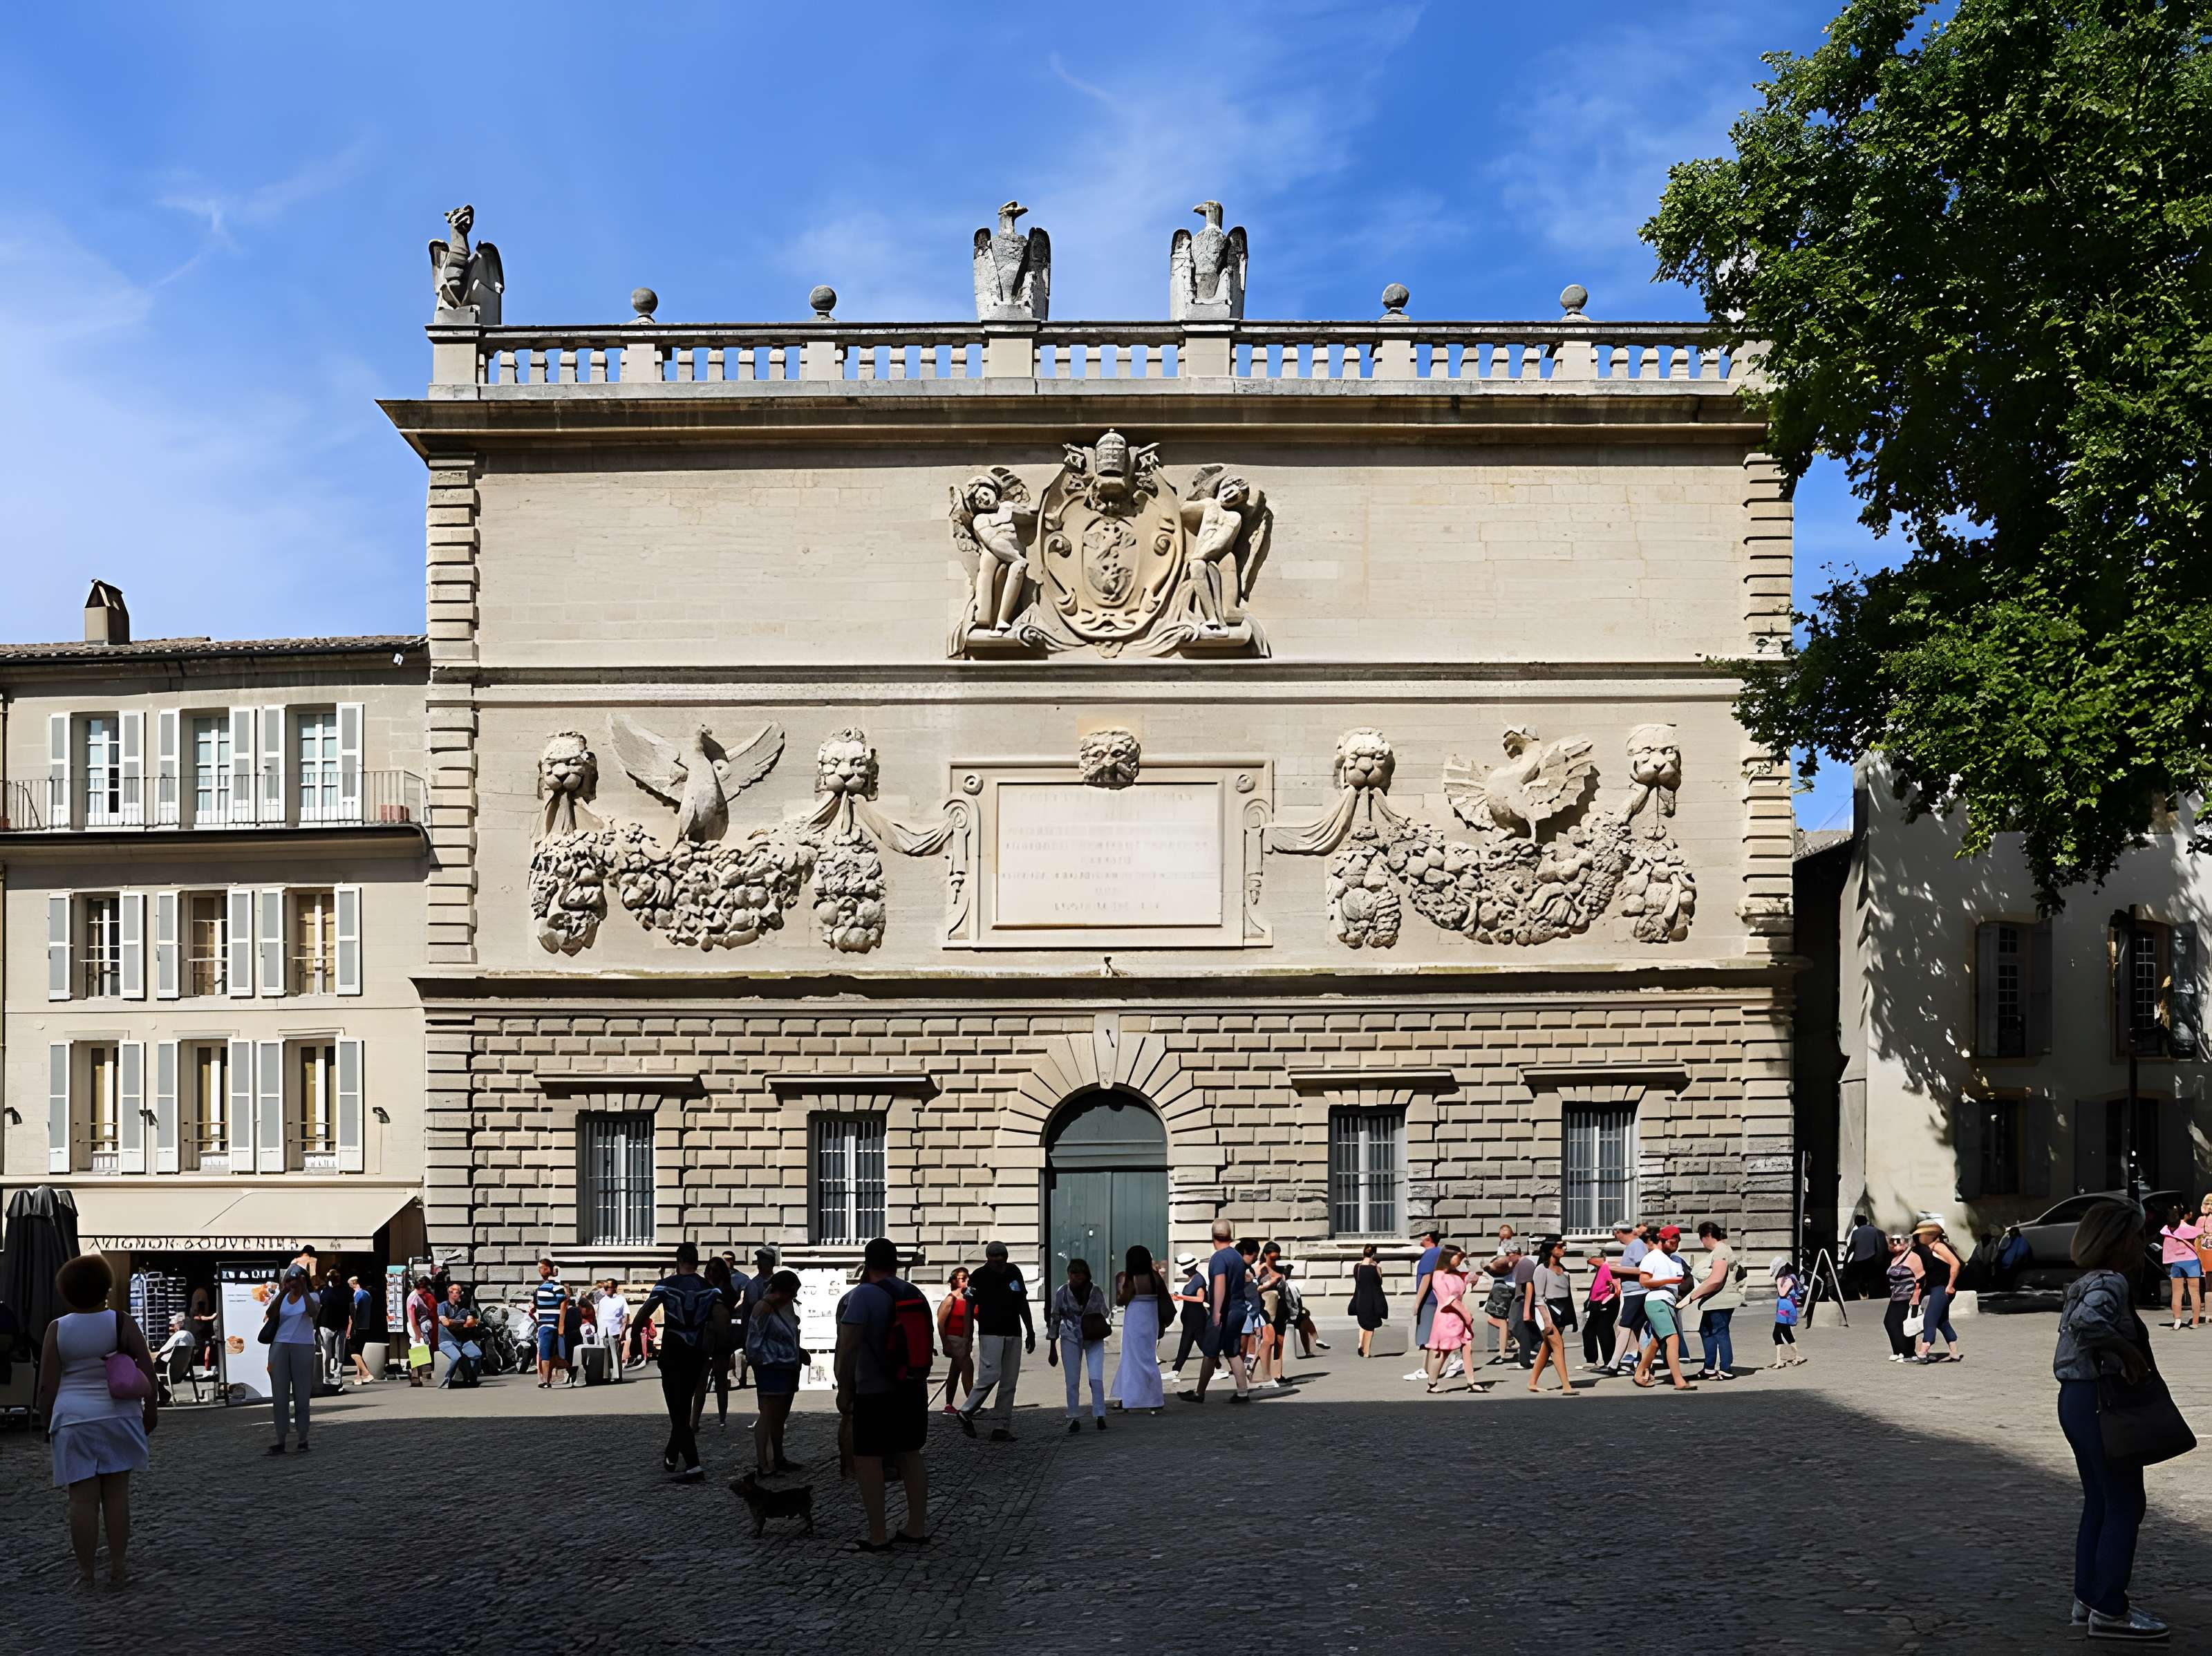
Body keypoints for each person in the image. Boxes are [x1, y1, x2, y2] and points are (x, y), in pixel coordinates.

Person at [2054, 1200, 2170, 1640]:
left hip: (2077, 1398)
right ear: (2120, 1241)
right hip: (2100, 1400)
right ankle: (2109, 1609)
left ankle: (2088, 1599)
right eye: (2137, 1237)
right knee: (2124, 1503)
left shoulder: (2085, 1281)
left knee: (2100, 1502)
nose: (2143, 1244)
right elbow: (2088, 1324)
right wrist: (2127, 1352)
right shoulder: (2111, 1282)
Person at [36, 1254, 156, 1588]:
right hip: (119, 1415)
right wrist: (151, 1409)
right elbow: (147, 1369)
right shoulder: (121, 1322)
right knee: (117, 1496)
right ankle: (118, 1566)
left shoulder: (57, 1329)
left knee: (81, 1500)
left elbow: (47, 1385)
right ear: (107, 1288)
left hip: (73, 1418)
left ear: (65, 1292)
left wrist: (47, 1422)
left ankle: (86, 1572)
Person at [836, 1237, 931, 1551]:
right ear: (896, 1263)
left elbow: (848, 1347)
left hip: (874, 1390)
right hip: (911, 1386)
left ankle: (878, 1534)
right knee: (910, 1454)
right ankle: (916, 1527)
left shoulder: (863, 1295)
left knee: (868, 1459)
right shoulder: (913, 1292)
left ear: (867, 1263)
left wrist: (844, 1389)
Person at [630, 1241, 722, 1483]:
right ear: (697, 1262)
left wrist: (634, 1338)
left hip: (673, 1351)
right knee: (682, 1406)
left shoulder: (666, 1285)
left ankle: (694, 1466)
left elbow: (643, 1313)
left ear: (678, 1260)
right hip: (696, 1353)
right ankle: (672, 1454)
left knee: (677, 1410)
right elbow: (720, 1323)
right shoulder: (710, 1290)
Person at [955, 1241, 1035, 1441]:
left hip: (1013, 1331)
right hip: (990, 1332)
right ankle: (966, 1411)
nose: (999, 1259)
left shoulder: (1014, 1272)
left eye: (1002, 1256)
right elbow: (969, 1305)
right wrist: (967, 1335)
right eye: (994, 1256)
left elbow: (1022, 1301)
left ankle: (1001, 1426)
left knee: (1009, 1381)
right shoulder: (979, 1275)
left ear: (1006, 1257)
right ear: (988, 1257)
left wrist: (1030, 1330)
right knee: (990, 1374)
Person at [745, 1269, 805, 1476]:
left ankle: (778, 1458)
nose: (795, 1296)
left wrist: (798, 1352)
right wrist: (762, 1363)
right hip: (770, 1368)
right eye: (793, 1291)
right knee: (768, 1415)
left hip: (788, 1367)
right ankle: (764, 1463)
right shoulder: (763, 1308)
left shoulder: (786, 1306)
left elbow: (790, 1334)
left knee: (780, 1417)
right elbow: (753, 1343)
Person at [1188, 1219, 1253, 1404]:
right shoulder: (1237, 1257)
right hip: (1239, 1310)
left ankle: (1199, 1393)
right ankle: (1243, 1392)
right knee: (1233, 1352)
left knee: (1210, 1352)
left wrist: (1216, 1312)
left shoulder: (1218, 1258)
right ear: (1230, 1236)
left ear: (1213, 1237)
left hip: (1225, 1312)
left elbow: (1219, 1284)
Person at [1048, 1258, 1111, 1432]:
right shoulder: (1062, 1292)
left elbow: (1104, 1312)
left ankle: (1100, 1414)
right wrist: (1052, 1346)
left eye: (1080, 1273)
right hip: (1070, 1335)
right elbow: (1055, 1317)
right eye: (1074, 1273)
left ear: (1086, 1274)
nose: (1077, 1277)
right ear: (1069, 1274)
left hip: (1093, 1336)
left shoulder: (1095, 1290)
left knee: (1096, 1378)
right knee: (1072, 1379)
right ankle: (1073, 1416)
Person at [265, 1263, 321, 1451]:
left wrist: (303, 1289)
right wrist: (283, 1291)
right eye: (288, 1279)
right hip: (280, 1345)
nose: (292, 1282)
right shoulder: (282, 1297)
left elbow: (313, 1313)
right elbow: (270, 1314)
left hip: (303, 1345)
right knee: (279, 1395)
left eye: (295, 1279)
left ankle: (302, 1438)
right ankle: (281, 1439)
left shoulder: (312, 1296)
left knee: (302, 1394)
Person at [1628, 1230, 1693, 1391]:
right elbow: (1644, 1281)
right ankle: (1679, 1380)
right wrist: (1670, 1280)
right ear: (1662, 1240)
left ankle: (1639, 1372)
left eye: (1678, 1242)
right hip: (1656, 1301)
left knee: (1656, 1341)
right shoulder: (1652, 1257)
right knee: (1673, 1339)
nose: (1675, 1245)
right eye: (1672, 1242)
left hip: (1669, 1302)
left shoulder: (1674, 1260)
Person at [1112, 1245, 1170, 1412]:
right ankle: (1154, 1398)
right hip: (1151, 1319)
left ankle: (1130, 1398)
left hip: (1135, 1319)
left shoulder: (1130, 1278)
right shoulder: (1155, 1277)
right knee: (1149, 1358)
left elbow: (1121, 1300)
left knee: (1131, 1359)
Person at [1683, 1221, 1741, 1381]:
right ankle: (1709, 1368)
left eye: (1702, 1239)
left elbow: (1716, 1279)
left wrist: (1692, 1297)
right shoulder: (1722, 1250)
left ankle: (1726, 1369)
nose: (1702, 1243)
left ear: (1707, 1236)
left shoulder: (1721, 1251)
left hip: (1721, 1299)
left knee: (1720, 1332)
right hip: (1716, 1300)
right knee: (1706, 1330)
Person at [1424, 1245, 1480, 1393]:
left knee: (1467, 1347)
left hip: (1458, 1316)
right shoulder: (1438, 1276)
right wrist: (1466, 1314)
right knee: (1443, 1351)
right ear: (1448, 1257)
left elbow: (1469, 1281)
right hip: (1447, 1317)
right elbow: (1448, 1300)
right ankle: (1432, 1383)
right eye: (1458, 1258)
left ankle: (1471, 1382)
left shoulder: (1456, 1274)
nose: (1459, 1261)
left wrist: (1469, 1267)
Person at [1526, 1237, 1577, 1395]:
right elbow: (1539, 1298)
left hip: (1561, 1312)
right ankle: (1566, 1386)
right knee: (1558, 1346)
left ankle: (1532, 1382)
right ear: (1550, 1249)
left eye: (1564, 1246)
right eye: (1560, 1246)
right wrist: (1547, 1320)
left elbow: (1568, 1297)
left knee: (1547, 1348)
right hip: (1546, 1311)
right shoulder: (1541, 1269)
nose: (1563, 1249)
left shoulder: (1564, 1270)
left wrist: (1572, 1318)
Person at [693, 1257, 740, 1430]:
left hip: (720, 1339)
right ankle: (695, 1421)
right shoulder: (704, 1289)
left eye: (715, 1270)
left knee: (720, 1381)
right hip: (706, 1339)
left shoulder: (725, 1292)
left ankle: (722, 1418)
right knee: (701, 1383)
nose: (712, 1273)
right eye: (710, 1269)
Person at [1911, 1220, 1965, 1364]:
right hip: (1937, 1288)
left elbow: (1955, 1264)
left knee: (1930, 1318)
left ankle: (1924, 1350)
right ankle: (1954, 1352)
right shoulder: (1929, 1249)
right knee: (1942, 1321)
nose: (1918, 1237)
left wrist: (1950, 1285)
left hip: (1942, 1288)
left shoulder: (1938, 1246)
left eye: (1921, 1235)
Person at [1603, 1222, 1648, 1376]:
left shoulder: (1637, 1245)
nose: (1615, 1237)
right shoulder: (1632, 1246)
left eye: (1614, 1234)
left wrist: (1614, 1269)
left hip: (1637, 1292)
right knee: (1636, 1329)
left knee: (1624, 1326)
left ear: (1618, 1232)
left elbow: (1642, 1270)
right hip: (1632, 1292)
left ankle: (1614, 1364)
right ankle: (1640, 1363)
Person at [935, 1266, 976, 1413]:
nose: (966, 1280)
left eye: (967, 1277)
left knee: (955, 1371)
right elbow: (940, 1323)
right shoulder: (950, 1299)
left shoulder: (968, 1299)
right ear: (954, 1281)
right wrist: (945, 1343)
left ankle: (949, 1405)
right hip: (954, 1339)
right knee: (967, 1367)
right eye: (962, 1278)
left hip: (965, 1339)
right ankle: (972, 1405)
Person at [2158, 1205, 2202, 1330]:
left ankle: (2177, 1321)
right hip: (2191, 1261)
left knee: (2177, 1293)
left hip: (2175, 1263)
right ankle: (2195, 1322)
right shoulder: (2189, 1229)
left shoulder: (2167, 1230)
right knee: (2194, 1292)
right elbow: (2201, 1235)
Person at [1481, 1226, 1519, 1364]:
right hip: (1507, 1285)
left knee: (1499, 1319)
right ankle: (1513, 1339)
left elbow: (1506, 1264)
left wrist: (1490, 1266)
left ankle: (1503, 1352)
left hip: (1503, 1286)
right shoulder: (1509, 1246)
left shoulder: (1506, 1247)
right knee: (1501, 1318)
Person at [1169, 1254, 1210, 1378]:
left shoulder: (1198, 1280)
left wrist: (1181, 1297)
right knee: (1186, 1343)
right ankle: (1176, 1370)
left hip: (1196, 1317)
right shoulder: (1193, 1279)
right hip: (1190, 1317)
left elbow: (1200, 1299)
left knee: (1200, 1343)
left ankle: (1216, 1367)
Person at [436, 1283, 482, 1388]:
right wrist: (460, 1322)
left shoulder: (464, 1308)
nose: (458, 1294)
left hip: (462, 1341)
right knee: (456, 1356)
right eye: (455, 1292)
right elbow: (446, 1323)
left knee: (476, 1354)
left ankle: (470, 1378)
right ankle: (447, 1379)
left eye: (459, 1292)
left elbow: (471, 1323)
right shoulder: (443, 1306)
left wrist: (458, 1322)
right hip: (447, 1340)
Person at [1349, 1243, 1389, 1357]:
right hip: (1372, 1300)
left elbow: (1358, 1282)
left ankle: (1360, 1344)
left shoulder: (1357, 1267)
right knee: (1370, 1326)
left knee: (1362, 1323)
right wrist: (1377, 1268)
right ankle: (1365, 1351)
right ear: (1374, 1254)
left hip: (1360, 1299)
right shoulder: (1376, 1267)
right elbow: (1379, 1282)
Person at [314, 1265, 351, 1387]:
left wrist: (315, 1326)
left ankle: (328, 1376)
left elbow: (318, 1310)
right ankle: (335, 1376)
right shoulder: (345, 1291)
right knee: (337, 1353)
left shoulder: (323, 1292)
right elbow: (352, 1308)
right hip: (336, 1325)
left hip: (328, 1325)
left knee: (328, 1353)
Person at [1582, 1249, 1620, 1371]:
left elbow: (1616, 1286)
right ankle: (1593, 1360)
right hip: (1597, 1303)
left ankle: (1608, 1361)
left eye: (1591, 1258)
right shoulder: (1602, 1268)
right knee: (1591, 1331)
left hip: (1605, 1303)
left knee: (1603, 1331)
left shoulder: (1607, 1267)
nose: (1589, 1261)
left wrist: (1610, 1297)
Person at [1883, 1236, 1919, 1361]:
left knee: (1902, 1324)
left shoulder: (1913, 1257)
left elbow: (1920, 1278)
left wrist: (1915, 1297)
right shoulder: (1897, 1258)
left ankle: (1907, 1353)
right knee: (1891, 1323)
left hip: (1907, 1295)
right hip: (1896, 1295)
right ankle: (1899, 1351)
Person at [531, 1259, 565, 1389]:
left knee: (547, 1352)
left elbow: (563, 1305)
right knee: (547, 1352)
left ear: (548, 1269)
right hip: (544, 1324)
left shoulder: (556, 1287)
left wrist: (561, 1325)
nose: (539, 1270)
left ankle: (546, 1380)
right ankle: (547, 1379)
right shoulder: (540, 1288)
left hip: (550, 1324)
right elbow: (537, 1306)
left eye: (541, 1267)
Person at [1771, 1259, 1808, 1367]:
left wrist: (1779, 1281)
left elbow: (1782, 1293)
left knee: (1779, 1333)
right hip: (1783, 1307)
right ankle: (1788, 1358)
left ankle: (1790, 1358)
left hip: (1787, 1308)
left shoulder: (1791, 1278)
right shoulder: (1785, 1278)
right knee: (1782, 1333)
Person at [1843, 1212, 1888, 1299]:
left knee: (1852, 1278)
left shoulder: (1856, 1232)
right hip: (1872, 1260)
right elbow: (1879, 1247)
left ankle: (1860, 1293)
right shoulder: (1875, 1230)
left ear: (1856, 1223)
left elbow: (1851, 1248)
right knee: (1873, 1279)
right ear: (1866, 1221)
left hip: (1858, 1261)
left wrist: (1845, 1263)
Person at [405, 1274, 440, 1387]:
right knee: (417, 1349)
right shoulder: (414, 1298)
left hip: (419, 1327)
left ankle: (417, 1376)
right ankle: (415, 1377)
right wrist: (418, 1333)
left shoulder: (416, 1297)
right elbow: (413, 1318)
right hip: (416, 1327)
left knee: (419, 1350)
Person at [1409, 1230, 1442, 1350]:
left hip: (1428, 1300)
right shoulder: (1437, 1252)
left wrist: (1417, 1303)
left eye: (1423, 1235)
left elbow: (1426, 1278)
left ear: (1429, 1239)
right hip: (1433, 1298)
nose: (1420, 1237)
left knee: (1426, 1341)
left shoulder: (1431, 1253)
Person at [594, 1278, 628, 1384]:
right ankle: (605, 1376)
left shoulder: (621, 1299)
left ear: (614, 1288)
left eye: (608, 1287)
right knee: (604, 1354)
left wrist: (623, 1330)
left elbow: (626, 1316)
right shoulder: (602, 1301)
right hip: (603, 1330)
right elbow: (599, 1315)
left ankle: (617, 1376)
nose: (606, 1290)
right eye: (605, 1288)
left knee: (615, 1353)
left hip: (615, 1329)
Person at [346, 1275, 377, 1384]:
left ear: (354, 1284)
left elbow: (353, 1313)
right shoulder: (367, 1294)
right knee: (359, 1352)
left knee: (354, 1352)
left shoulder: (358, 1295)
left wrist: (349, 1329)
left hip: (357, 1326)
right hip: (365, 1325)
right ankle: (359, 1377)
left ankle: (367, 1374)